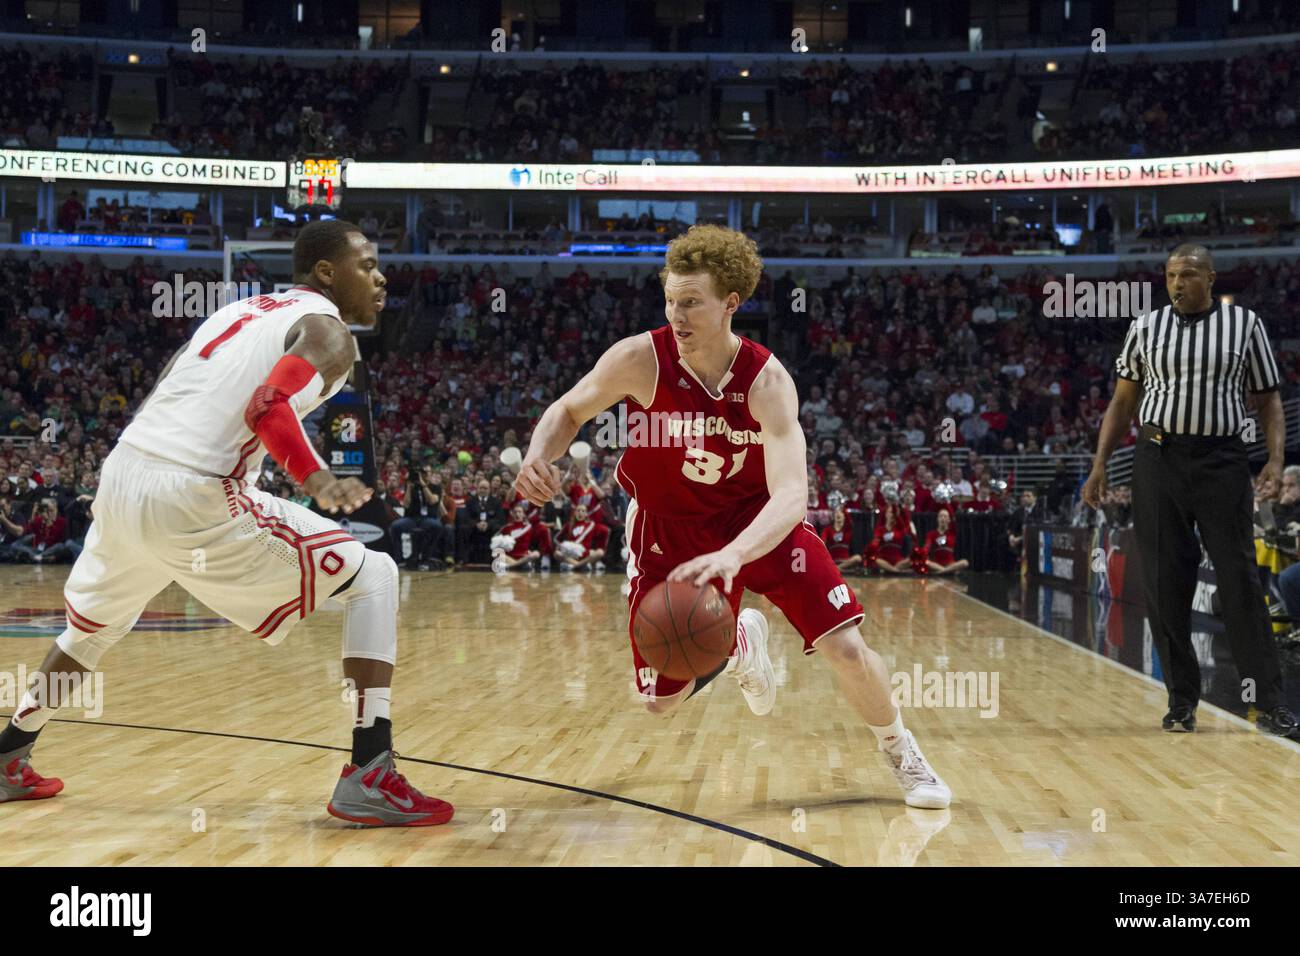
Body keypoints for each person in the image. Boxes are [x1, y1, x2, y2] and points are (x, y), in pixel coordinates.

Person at [0, 220, 453, 823]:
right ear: (326, 271)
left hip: (126, 471)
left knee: (89, 634)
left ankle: (9, 752)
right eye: (367, 264)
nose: (381, 277)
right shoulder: (329, 330)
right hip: (194, 490)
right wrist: (317, 478)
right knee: (375, 576)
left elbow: (164, 388)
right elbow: (269, 405)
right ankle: (370, 771)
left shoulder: (235, 313)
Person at [514, 224, 949, 809]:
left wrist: (735, 553)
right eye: (671, 300)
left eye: (692, 302)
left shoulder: (766, 381)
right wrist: (540, 454)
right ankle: (739, 643)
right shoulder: (639, 359)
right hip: (668, 530)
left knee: (846, 647)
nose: (677, 314)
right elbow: (569, 410)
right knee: (660, 702)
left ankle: (902, 752)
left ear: (731, 304)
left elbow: (791, 494)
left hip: (759, 524)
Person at [1083, 243, 1300, 739]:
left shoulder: (1245, 325)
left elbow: (1269, 401)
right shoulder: (1144, 327)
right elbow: (1122, 402)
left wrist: (1275, 459)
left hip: (1222, 460)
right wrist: (1099, 464)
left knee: (1240, 578)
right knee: (1165, 582)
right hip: (1157, 458)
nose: (1177, 283)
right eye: (1170, 276)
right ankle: (1181, 701)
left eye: (1187, 274)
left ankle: (1267, 701)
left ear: (1210, 278)